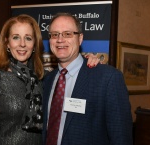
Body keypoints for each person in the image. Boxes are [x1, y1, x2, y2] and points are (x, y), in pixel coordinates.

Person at [0, 14, 100, 145]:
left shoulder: (44, 78)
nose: (22, 44)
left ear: (34, 44)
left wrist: (86, 63)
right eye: (16, 37)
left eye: (28, 38)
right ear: (7, 43)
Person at [42, 13, 133, 145]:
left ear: (80, 38)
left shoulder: (108, 78)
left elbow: (121, 137)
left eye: (67, 34)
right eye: (55, 34)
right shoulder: (47, 80)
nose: (60, 40)